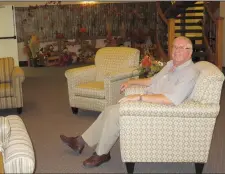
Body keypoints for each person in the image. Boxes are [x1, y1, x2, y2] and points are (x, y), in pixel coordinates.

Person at [60, 36, 199, 168]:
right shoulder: (170, 65)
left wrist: (139, 97)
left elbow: (171, 100)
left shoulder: (189, 73)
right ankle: (80, 142)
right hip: (150, 102)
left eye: (181, 48)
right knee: (110, 109)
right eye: (175, 47)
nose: (176, 51)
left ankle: (101, 153)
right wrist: (131, 82)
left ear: (190, 52)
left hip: (160, 111)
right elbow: (151, 80)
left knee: (115, 113)